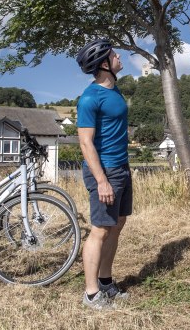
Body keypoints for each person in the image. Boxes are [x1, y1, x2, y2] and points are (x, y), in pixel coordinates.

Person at [76, 38, 132, 310]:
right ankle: (91, 293)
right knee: (100, 230)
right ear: (104, 64)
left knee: (116, 225)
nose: (119, 56)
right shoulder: (90, 98)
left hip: (121, 167)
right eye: (114, 54)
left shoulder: (115, 90)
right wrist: (101, 181)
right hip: (104, 170)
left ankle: (106, 282)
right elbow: (86, 143)